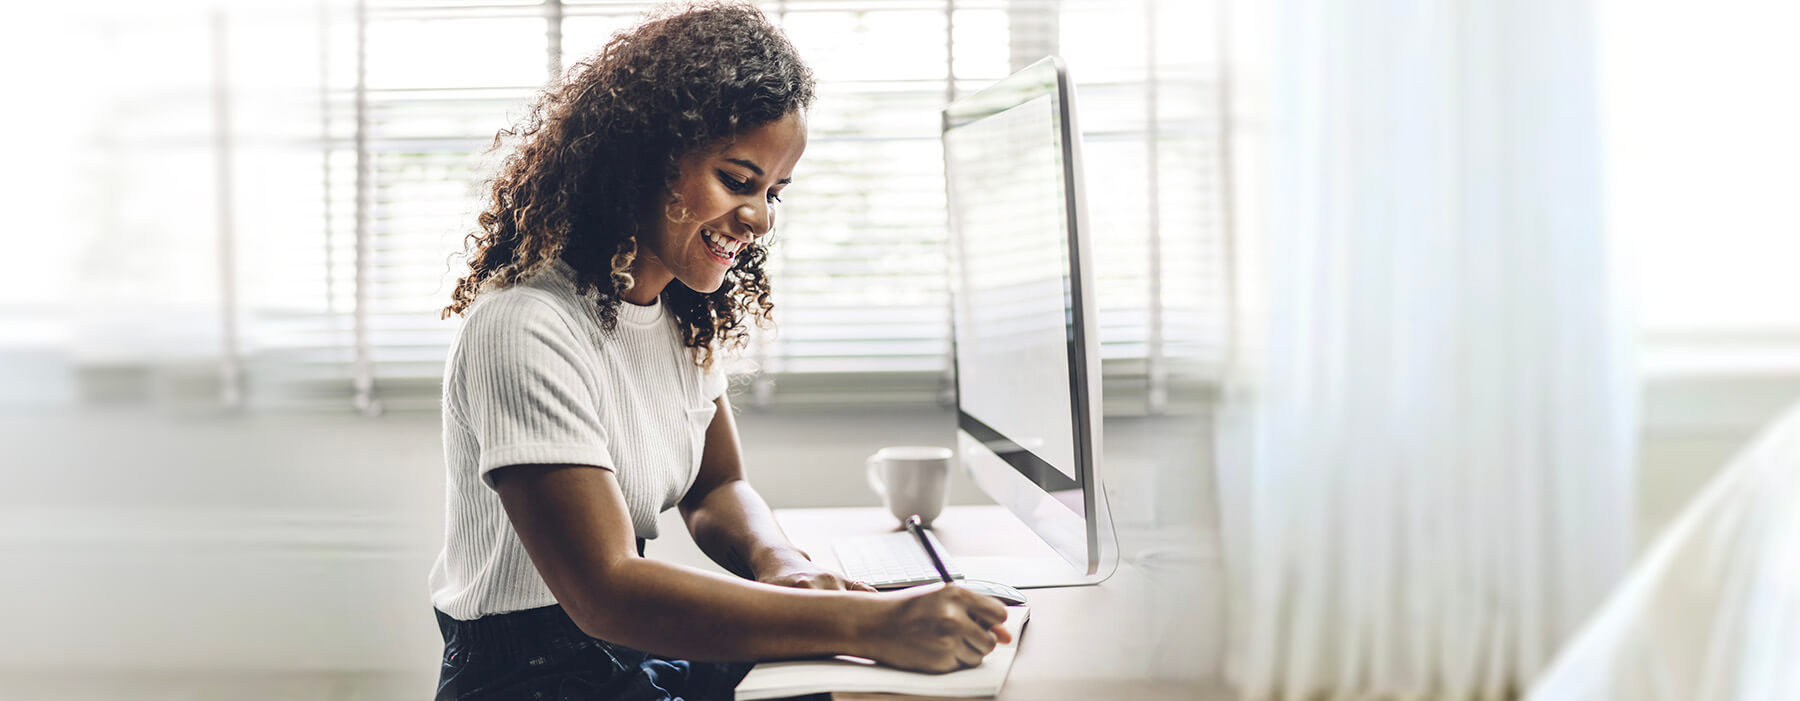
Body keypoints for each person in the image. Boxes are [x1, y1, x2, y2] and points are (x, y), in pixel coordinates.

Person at [428, 3, 1010, 699]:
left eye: (774, 191)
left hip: (623, 649)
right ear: (642, 160)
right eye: (738, 181)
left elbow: (716, 488)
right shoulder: (524, 326)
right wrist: (863, 622)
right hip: (532, 676)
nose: (761, 217)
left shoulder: (677, 314)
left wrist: (784, 565)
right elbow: (605, 590)